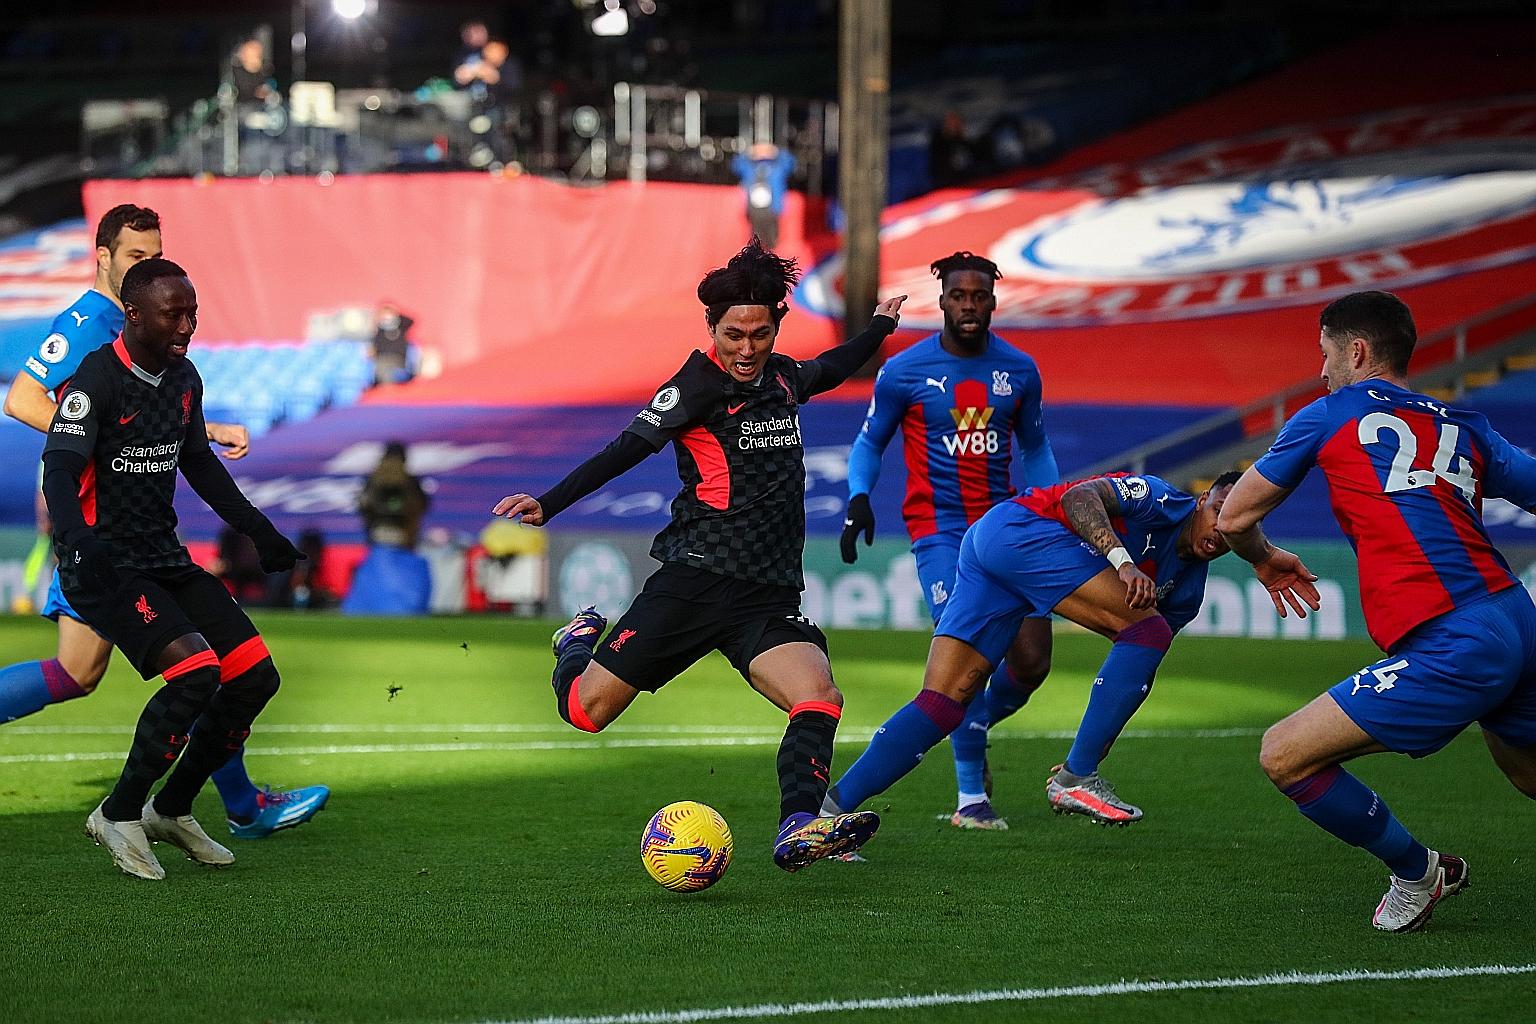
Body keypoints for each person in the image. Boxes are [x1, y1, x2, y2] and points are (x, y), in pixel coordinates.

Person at [493, 239, 905, 872]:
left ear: (775, 328)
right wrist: (549, 503)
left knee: (818, 695)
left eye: (760, 334)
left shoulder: (785, 381)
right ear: (712, 329)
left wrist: (880, 322)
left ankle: (799, 824)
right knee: (585, 711)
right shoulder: (694, 387)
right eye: (733, 334)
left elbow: (838, 364)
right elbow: (623, 450)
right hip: (696, 578)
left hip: (765, 593)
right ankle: (576, 642)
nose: (746, 348)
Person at [0, 204, 329, 840]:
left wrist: (189, 432)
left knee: (81, 671)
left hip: (124, 528)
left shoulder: (142, 325)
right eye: (134, 258)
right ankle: (235, 804)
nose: (146, 268)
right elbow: (23, 400)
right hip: (97, 526)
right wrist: (97, 446)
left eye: (154, 256)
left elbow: (143, 412)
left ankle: (237, 804)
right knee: (191, 664)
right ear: (103, 258)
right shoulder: (87, 323)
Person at [1216, 290, 1536, 933]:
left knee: (1285, 755)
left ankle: (1419, 870)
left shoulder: (1330, 412)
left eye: (1327, 355)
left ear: (1356, 351)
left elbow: (1234, 515)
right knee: (1528, 773)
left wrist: (1264, 557)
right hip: (1517, 618)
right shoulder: (1464, 425)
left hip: (1453, 637)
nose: (1324, 370)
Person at [825, 471, 1318, 825]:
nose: (1220, 528)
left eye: (1239, 524)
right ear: (1204, 498)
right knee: (1145, 630)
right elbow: (1082, 496)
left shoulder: (1187, 592)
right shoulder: (1162, 500)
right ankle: (1077, 777)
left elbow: (1137, 670)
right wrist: (1123, 563)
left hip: (995, 553)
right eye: (1217, 510)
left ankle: (825, 813)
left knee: (944, 702)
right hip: (1018, 529)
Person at [840, 251, 1058, 830]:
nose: (968, 305)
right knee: (966, 662)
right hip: (940, 533)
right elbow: (869, 442)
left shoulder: (1020, 370)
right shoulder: (905, 371)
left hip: (1007, 532)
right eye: (958, 296)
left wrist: (1054, 509)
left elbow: (1034, 449)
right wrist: (859, 497)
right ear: (941, 302)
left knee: (1032, 662)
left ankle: (976, 726)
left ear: (992, 301)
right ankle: (971, 801)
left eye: (978, 296)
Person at [358, 441, 430, 548]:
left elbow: (363, 505)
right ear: (404, 459)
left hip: (378, 532)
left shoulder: (373, 481)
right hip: (405, 533)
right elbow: (423, 505)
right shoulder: (410, 481)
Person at [730, 143, 796, 249]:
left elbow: (790, 163)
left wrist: (776, 152)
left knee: (772, 240)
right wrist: (749, 152)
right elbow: (736, 165)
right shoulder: (749, 167)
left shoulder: (777, 167)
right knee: (755, 240)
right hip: (754, 211)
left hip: (772, 210)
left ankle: (771, 260)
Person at [370, 303, 416, 386]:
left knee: (385, 369)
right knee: (378, 368)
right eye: (384, 314)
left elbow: (410, 321)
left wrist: (395, 314)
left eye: (388, 314)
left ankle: (388, 388)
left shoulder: (401, 327)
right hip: (381, 359)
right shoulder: (378, 331)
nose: (387, 317)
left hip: (398, 360)